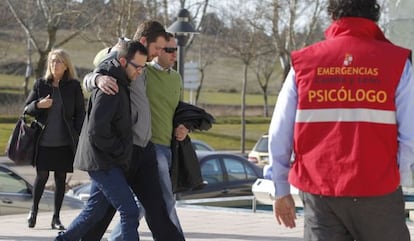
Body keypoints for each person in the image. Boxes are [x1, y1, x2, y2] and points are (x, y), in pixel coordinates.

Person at [268, 0, 414, 240]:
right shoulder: (397, 62)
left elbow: (279, 132)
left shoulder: (304, 63)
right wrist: (397, 175)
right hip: (379, 191)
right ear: (374, 13)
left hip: (321, 193)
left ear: (333, 14)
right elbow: (410, 133)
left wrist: (280, 188)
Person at [82, 21, 185, 241]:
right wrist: (98, 79)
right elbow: (88, 77)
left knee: (157, 210)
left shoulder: (144, 64)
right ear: (145, 42)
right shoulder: (119, 56)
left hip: (142, 150)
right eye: (157, 48)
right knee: (98, 213)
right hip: (120, 152)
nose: (158, 54)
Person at [55, 40, 148, 241]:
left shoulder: (119, 81)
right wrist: (121, 149)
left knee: (94, 212)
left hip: (105, 159)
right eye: (137, 66)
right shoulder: (110, 86)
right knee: (129, 210)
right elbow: (96, 131)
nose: (140, 71)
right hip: (101, 160)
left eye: (143, 67)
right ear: (123, 61)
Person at [108, 32, 188, 241]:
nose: (172, 54)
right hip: (150, 147)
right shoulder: (144, 71)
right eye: (167, 49)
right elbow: (103, 62)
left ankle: (115, 238)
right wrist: (96, 78)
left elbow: (179, 110)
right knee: (165, 203)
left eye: (174, 50)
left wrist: (184, 125)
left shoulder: (177, 78)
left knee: (147, 204)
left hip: (169, 147)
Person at [23, 49, 85, 230]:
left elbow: (80, 113)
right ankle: (33, 211)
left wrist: (80, 134)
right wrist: (38, 105)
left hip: (65, 142)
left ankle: (56, 218)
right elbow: (26, 109)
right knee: (41, 176)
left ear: (66, 66)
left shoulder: (73, 86)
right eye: (51, 61)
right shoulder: (40, 85)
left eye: (58, 61)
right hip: (44, 140)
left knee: (60, 178)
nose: (54, 64)